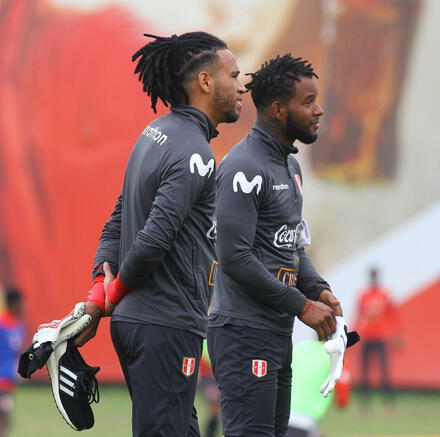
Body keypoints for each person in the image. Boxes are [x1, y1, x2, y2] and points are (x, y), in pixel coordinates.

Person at [73, 31, 246, 437]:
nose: (242, 86)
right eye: (235, 75)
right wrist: (108, 298)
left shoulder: (154, 134)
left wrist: (98, 297)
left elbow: (117, 218)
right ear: (205, 82)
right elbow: (153, 239)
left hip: (142, 324)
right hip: (166, 325)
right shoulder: (194, 153)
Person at [208, 53, 341, 437]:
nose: (319, 110)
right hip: (242, 332)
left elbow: (292, 245)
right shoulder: (243, 167)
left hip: (273, 331)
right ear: (280, 109)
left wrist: (317, 288)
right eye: (308, 101)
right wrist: (301, 305)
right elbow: (233, 257)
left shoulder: (289, 166)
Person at [355, 267, 399, 407]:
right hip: (367, 337)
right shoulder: (363, 296)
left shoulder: (385, 295)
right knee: (364, 372)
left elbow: (392, 315)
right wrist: (352, 335)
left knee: (385, 371)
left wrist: (396, 333)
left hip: (381, 337)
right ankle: (364, 402)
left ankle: (388, 401)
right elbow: (359, 316)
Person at [0, 288, 24, 437]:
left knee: (5, 421)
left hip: (9, 380)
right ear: (14, 303)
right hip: (1, 380)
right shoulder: (2, 324)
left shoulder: (18, 325)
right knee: (4, 420)